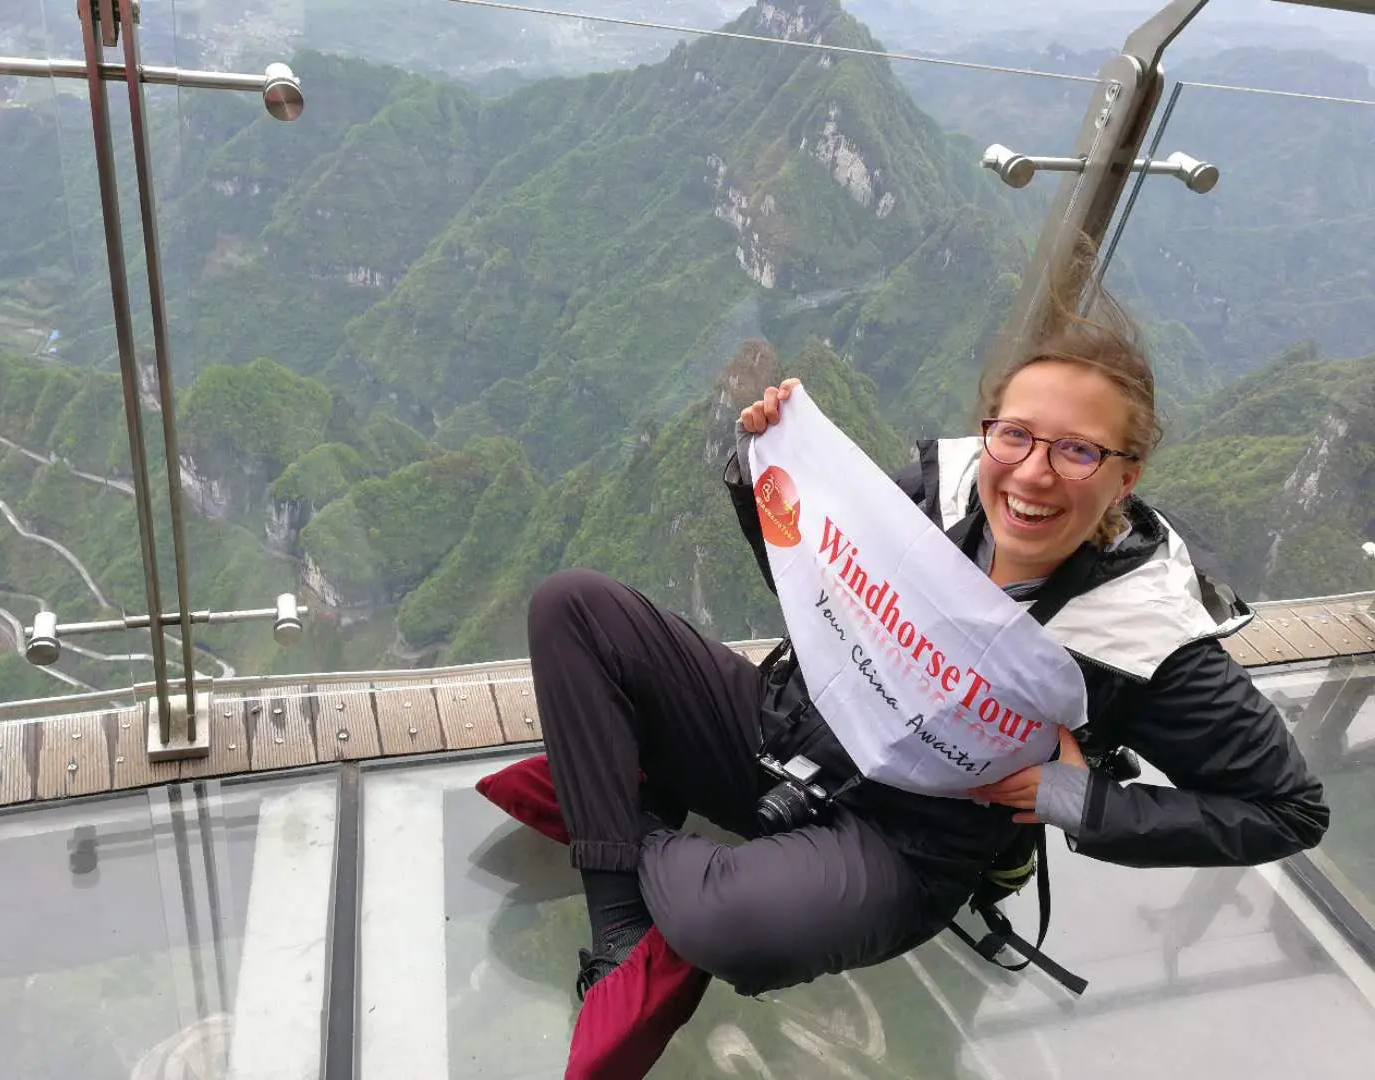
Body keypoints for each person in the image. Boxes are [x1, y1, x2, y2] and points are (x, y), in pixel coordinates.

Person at [476, 284, 1330, 1079]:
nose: (1033, 472)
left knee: (726, 927)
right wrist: (760, 474)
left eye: (1078, 451)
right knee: (573, 607)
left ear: (1125, 475)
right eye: (1016, 435)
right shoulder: (938, 489)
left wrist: (1076, 799)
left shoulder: (1144, 634)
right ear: (991, 431)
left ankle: (619, 817)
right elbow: (825, 598)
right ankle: (622, 922)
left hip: (901, 841)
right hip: (780, 727)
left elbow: (1289, 810)